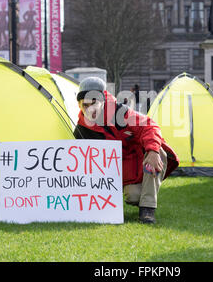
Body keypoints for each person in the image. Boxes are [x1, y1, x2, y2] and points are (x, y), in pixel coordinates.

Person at [73, 77, 179, 224]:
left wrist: (153, 151)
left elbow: (149, 126)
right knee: (133, 196)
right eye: (84, 105)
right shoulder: (81, 130)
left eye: (93, 103)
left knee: (159, 151)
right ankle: (138, 199)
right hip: (116, 176)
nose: (89, 109)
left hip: (138, 166)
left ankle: (148, 209)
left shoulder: (121, 113)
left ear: (102, 100)